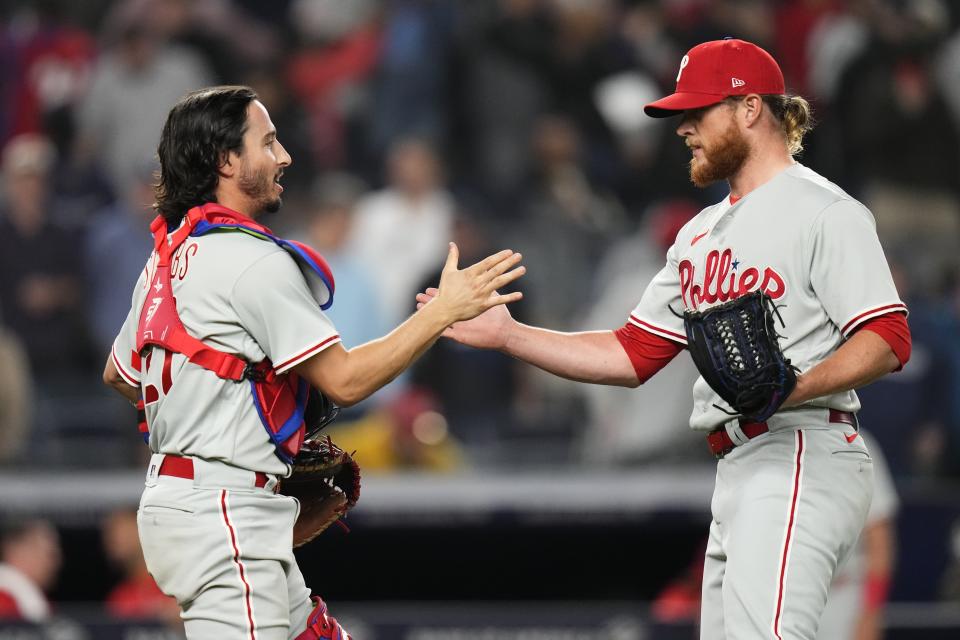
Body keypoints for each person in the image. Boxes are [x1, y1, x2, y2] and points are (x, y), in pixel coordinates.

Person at [417, 39, 911, 639]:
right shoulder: (699, 234)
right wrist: (510, 336)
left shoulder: (824, 211)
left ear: (750, 108)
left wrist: (792, 387)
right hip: (740, 465)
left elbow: (888, 337)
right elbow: (633, 353)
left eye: (697, 112)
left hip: (801, 449)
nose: (684, 129)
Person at [101, 85, 524, 639]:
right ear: (226, 160)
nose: (285, 156)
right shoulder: (250, 260)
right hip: (223, 513)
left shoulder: (167, 259)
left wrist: (221, 430)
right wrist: (442, 312)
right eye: (268, 142)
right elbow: (345, 381)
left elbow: (121, 375)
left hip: (203, 500)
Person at [0, 519, 61, 621]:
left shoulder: (31, 598)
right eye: (50, 555)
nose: (56, 563)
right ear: (18, 551)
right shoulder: (5, 598)